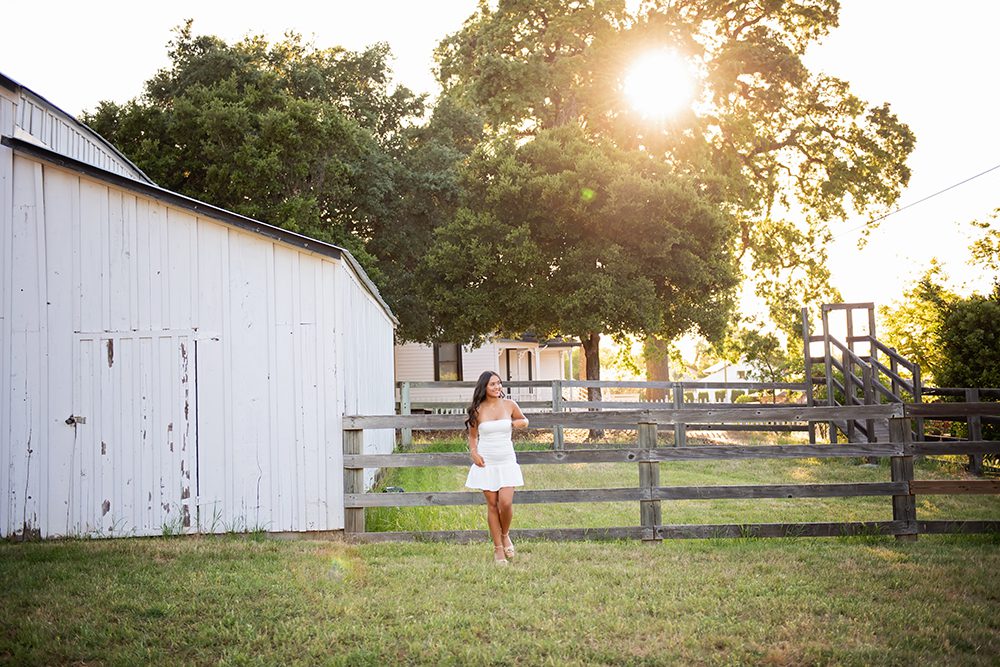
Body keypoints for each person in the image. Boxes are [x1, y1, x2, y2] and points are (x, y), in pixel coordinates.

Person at [465, 370, 528, 565]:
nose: (497, 387)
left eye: (499, 383)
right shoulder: (477, 409)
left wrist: (517, 423)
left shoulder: (509, 405)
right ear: (484, 387)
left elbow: (524, 420)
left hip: (506, 459)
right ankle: (498, 548)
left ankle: (505, 534)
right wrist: (473, 453)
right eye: (492, 384)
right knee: (492, 505)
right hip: (487, 461)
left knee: (506, 503)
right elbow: (473, 436)